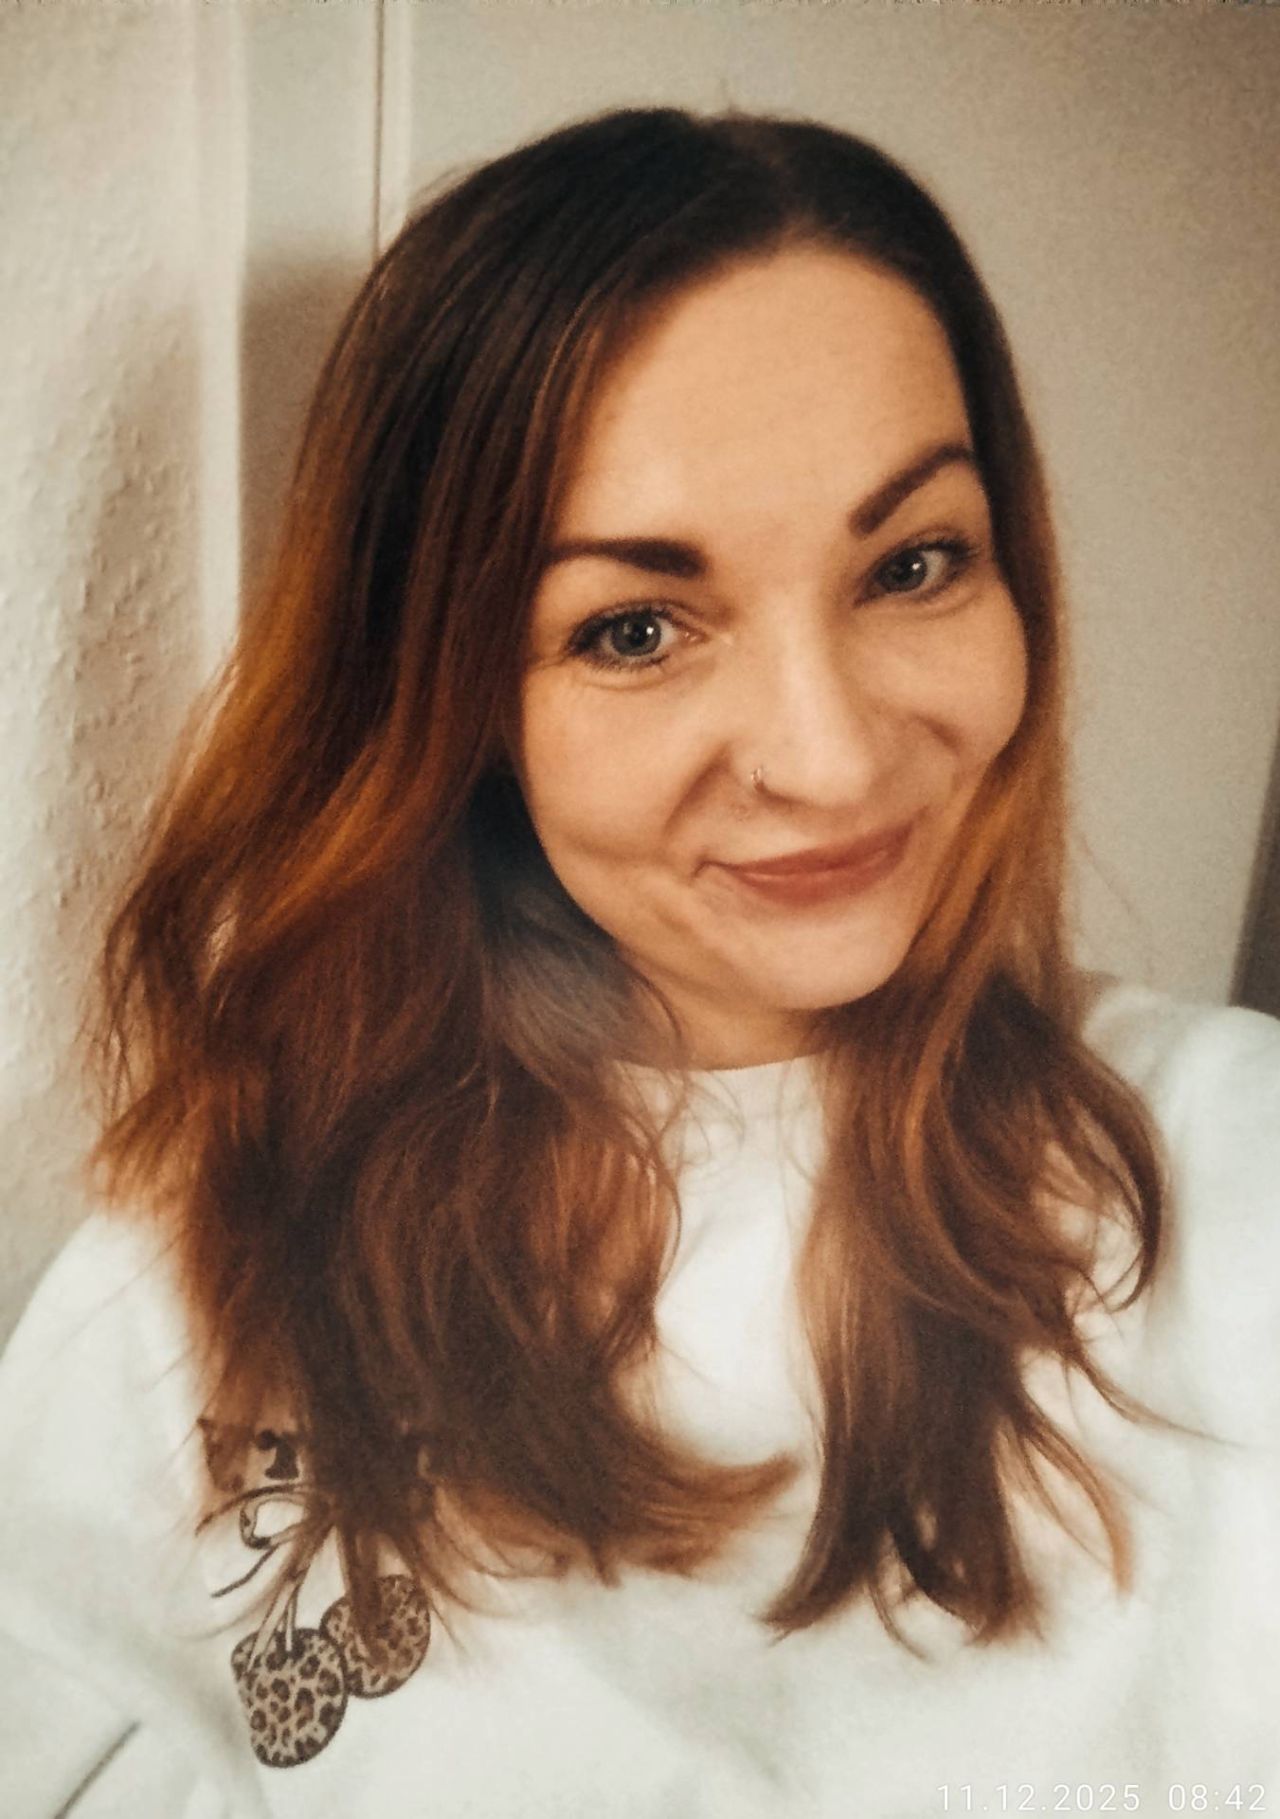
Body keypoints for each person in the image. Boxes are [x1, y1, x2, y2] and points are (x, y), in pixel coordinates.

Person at [0, 104, 1277, 1819]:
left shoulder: (1234, 1164)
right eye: (634, 628)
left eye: (912, 565)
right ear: (457, 699)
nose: (829, 757)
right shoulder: (205, 1267)